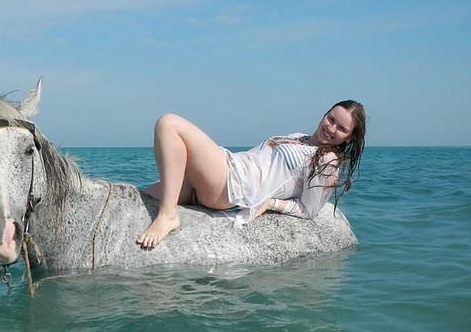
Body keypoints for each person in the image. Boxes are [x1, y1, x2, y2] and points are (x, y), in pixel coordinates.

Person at [136, 100, 366, 249]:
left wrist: (271, 203)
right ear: (325, 114)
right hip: (228, 171)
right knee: (143, 195)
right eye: (331, 119)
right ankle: (177, 202)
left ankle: (168, 216)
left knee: (169, 124)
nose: (331, 128)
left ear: (349, 138)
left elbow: (309, 210)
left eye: (342, 129)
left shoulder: (328, 160)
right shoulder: (299, 136)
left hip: (233, 184)